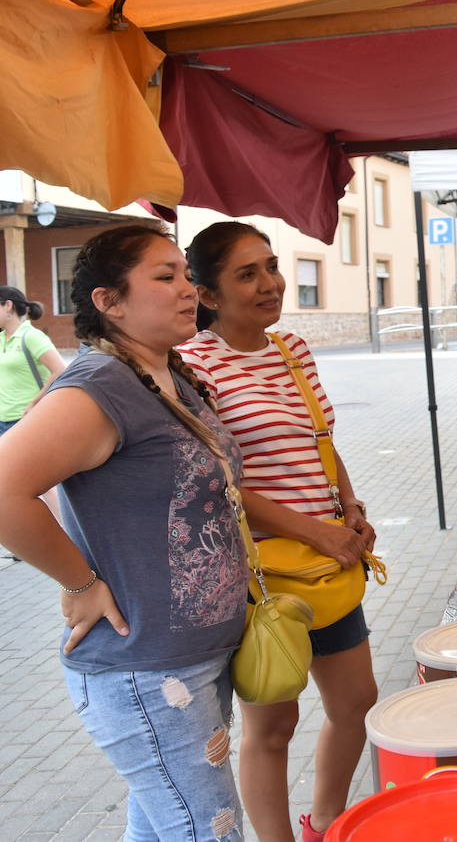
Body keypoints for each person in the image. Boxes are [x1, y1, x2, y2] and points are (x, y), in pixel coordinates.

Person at [0, 225, 248, 840]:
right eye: (164, 278)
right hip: (146, 673)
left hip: (193, 661)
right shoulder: (97, 390)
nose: (188, 289)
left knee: (164, 824)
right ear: (109, 302)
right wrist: (79, 581)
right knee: (208, 830)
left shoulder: (170, 377)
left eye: (185, 274)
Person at [179, 222, 377, 842]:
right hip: (260, 575)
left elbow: (319, 439)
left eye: (270, 266)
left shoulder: (292, 348)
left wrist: (349, 506)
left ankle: (326, 822)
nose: (269, 283)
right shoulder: (192, 365)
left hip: (328, 561)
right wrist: (315, 532)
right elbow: (216, 480)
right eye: (247, 274)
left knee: (355, 704)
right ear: (207, 294)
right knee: (273, 724)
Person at [0, 286, 65, 434]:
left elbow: (60, 371)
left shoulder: (31, 336)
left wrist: (34, 403)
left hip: (25, 419)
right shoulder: (1, 338)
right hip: (2, 419)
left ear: (8, 306)